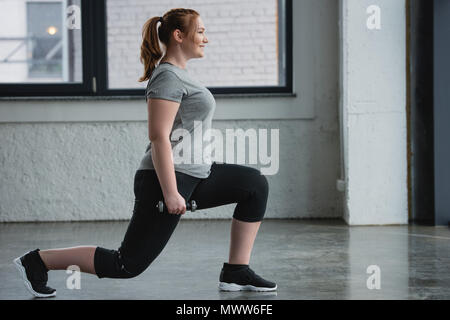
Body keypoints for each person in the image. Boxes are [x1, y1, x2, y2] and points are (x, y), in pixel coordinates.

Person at [13, 8, 276, 298]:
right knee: (126, 264)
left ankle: (236, 271)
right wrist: (171, 192)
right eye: (200, 32)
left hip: (195, 174)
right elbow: (159, 137)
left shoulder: (179, 75)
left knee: (254, 185)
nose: (205, 39)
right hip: (166, 179)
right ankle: (37, 261)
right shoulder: (167, 78)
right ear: (179, 35)